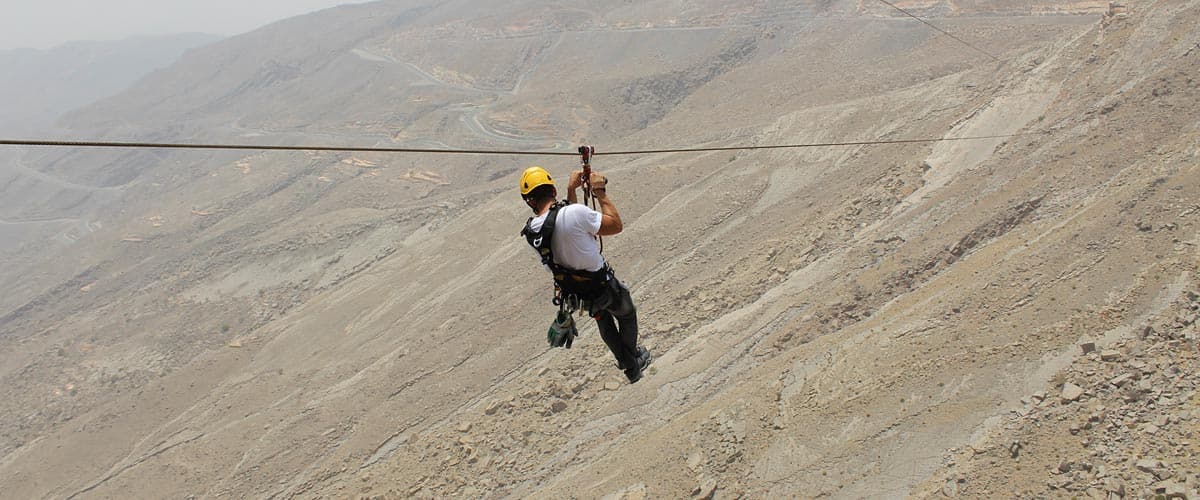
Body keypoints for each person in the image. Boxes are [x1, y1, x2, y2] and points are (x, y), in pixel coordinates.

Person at [518, 166, 652, 383]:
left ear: (529, 201)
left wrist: (572, 190)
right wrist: (600, 192)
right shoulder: (574, 213)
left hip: (578, 292)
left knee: (602, 318)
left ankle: (629, 365)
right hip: (602, 284)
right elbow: (615, 226)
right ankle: (632, 363)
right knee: (626, 315)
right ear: (553, 189)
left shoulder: (532, 232)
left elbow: (564, 227)